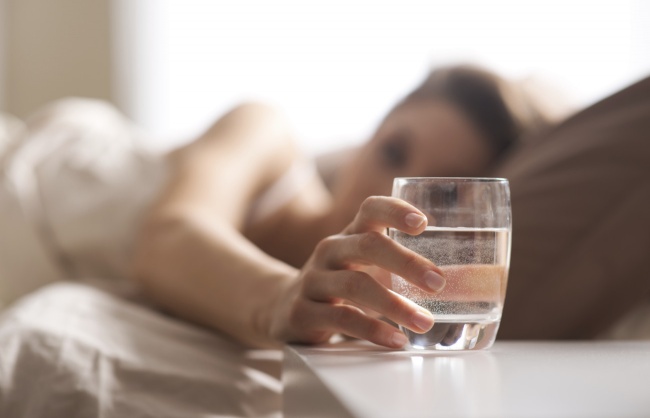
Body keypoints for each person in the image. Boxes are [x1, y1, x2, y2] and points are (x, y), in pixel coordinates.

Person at [0, 65, 561, 349]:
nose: (394, 194)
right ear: (371, 130)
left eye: (434, 191)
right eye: (392, 151)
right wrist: (277, 299)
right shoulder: (269, 137)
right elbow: (170, 236)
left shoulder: (354, 315)